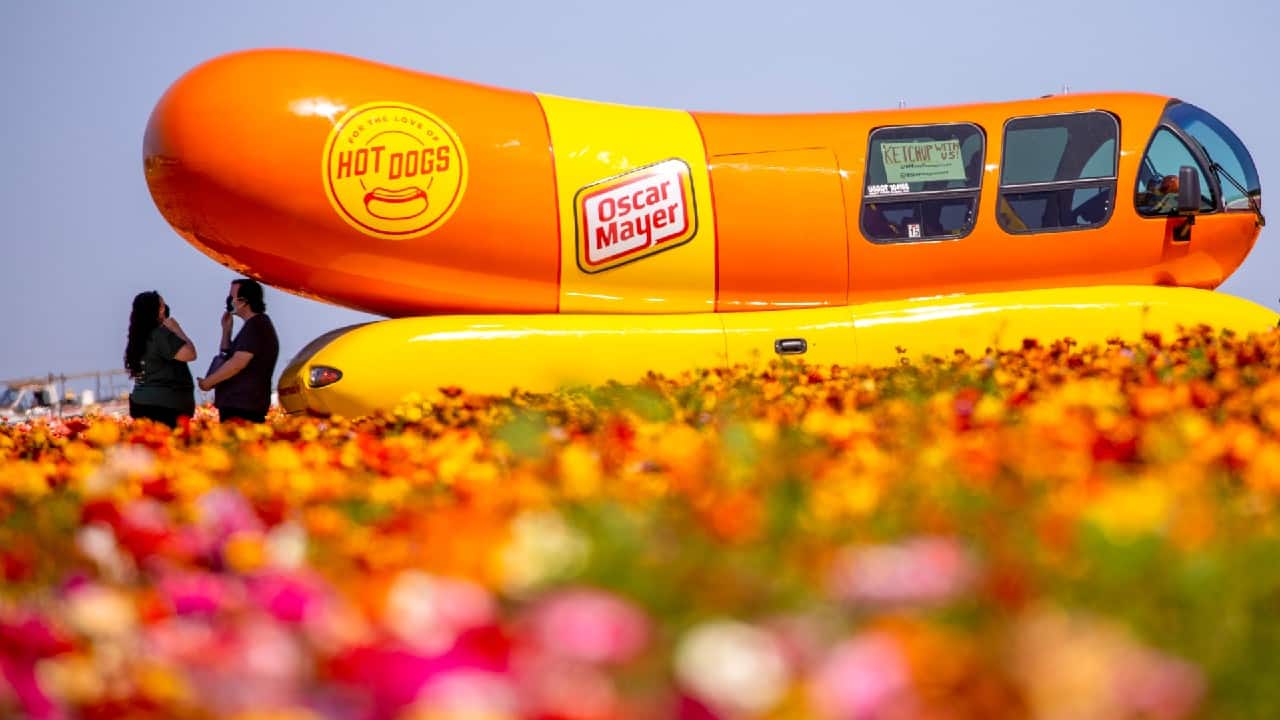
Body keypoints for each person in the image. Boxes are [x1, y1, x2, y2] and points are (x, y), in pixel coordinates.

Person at [198, 278, 280, 423]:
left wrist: (208, 382)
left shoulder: (256, 326)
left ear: (243, 301)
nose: (228, 301)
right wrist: (226, 331)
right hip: (239, 404)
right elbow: (227, 355)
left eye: (231, 297)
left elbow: (237, 363)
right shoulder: (253, 326)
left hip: (243, 406)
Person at [124, 290, 197, 427]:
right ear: (157, 310)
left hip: (140, 401)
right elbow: (190, 354)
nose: (165, 309)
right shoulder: (160, 335)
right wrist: (177, 329)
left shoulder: (138, 336)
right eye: (162, 305)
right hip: (165, 406)